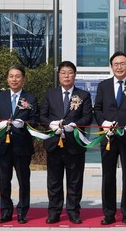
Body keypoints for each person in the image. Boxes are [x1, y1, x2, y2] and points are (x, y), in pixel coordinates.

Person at [93, 51, 126, 225]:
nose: (119, 67)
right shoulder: (103, 86)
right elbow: (97, 109)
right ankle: (109, 213)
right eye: (116, 64)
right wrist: (104, 123)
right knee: (108, 175)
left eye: (122, 64)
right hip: (108, 138)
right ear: (111, 66)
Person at [39, 61, 93, 225]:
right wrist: (51, 124)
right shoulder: (50, 94)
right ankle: (54, 211)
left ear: (75, 75)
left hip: (74, 144)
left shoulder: (83, 95)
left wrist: (75, 125)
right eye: (63, 72)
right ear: (59, 75)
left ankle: (73, 211)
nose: (66, 75)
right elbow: (42, 116)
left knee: (75, 181)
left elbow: (88, 117)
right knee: (54, 180)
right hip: (54, 143)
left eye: (70, 72)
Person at [0, 65, 39, 224]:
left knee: (23, 180)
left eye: (18, 76)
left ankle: (22, 211)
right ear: (7, 79)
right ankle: (5, 211)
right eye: (11, 76)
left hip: (22, 145)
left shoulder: (30, 98)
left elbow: (35, 120)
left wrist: (24, 124)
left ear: (23, 79)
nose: (14, 79)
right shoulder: (0, 97)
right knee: (4, 180)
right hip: (3, 145)